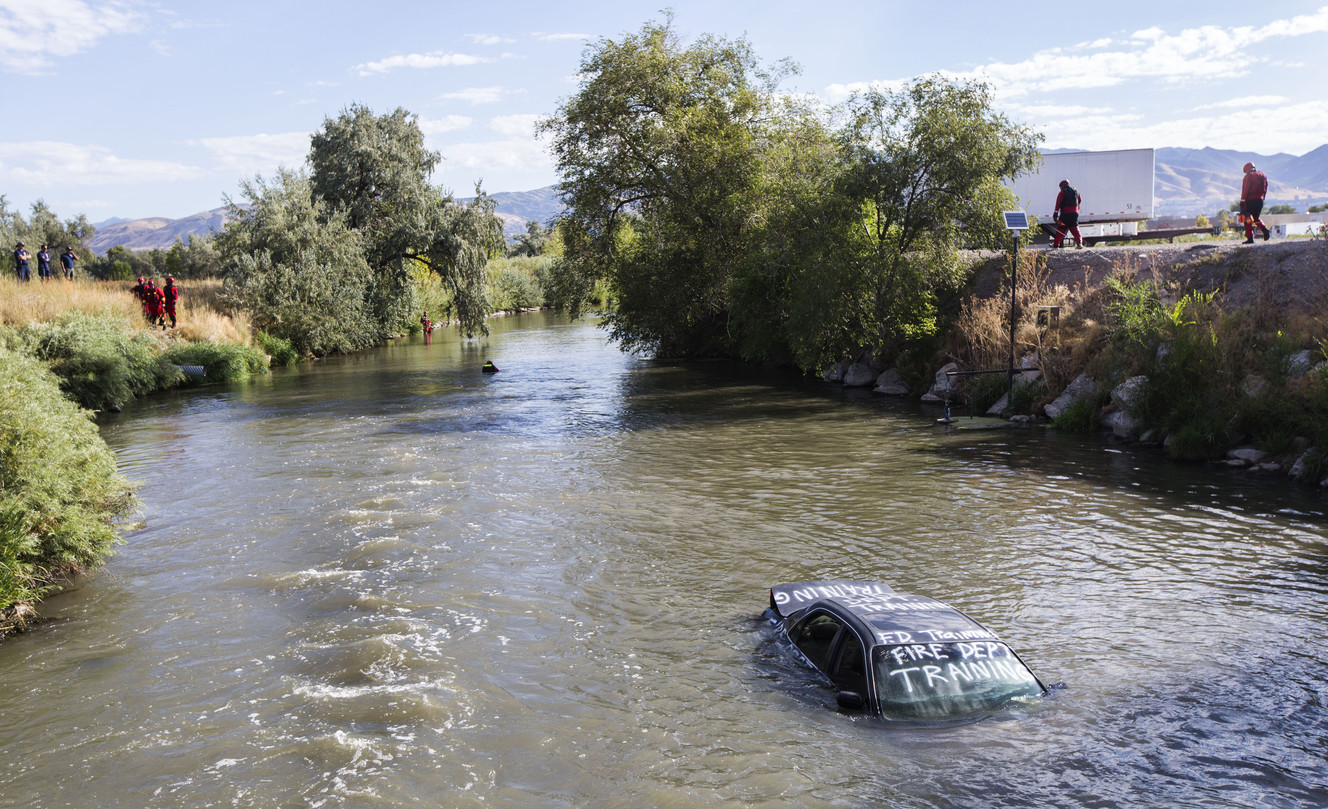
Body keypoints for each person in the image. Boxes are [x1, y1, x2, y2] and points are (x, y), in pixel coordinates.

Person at [1240, 162, 1271, 244]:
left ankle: (1250, 238)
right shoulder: (1262, 175)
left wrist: (1242, 202)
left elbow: (1245, 190)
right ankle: (1265, 230)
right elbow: (1265, 188)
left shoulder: (1248, 177)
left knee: (1247, 218)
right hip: (1260, 200)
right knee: (1256, 217)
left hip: (1250, 200)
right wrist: (1262, 198)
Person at [1052, 179, 1083, 249]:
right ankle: (1079, 243)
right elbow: (1080, 200)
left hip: (1065, 215)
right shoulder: (1076, 191)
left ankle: (1056, 245)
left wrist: (1055, 214)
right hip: (1074, 214)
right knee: (1075, 228)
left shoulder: (1062, 193)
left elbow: (1058, 204)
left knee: (1061, 229)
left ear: (1062, 186)